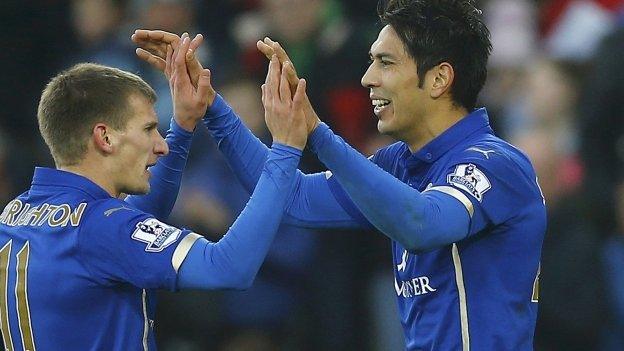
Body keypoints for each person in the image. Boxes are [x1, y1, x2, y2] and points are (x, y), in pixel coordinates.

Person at [134, 0, 547, 349]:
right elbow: (293, 198)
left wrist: (317, 134)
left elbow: (424, 223)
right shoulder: (400, 162)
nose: (368, 78)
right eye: (371, 62)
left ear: (439, 78)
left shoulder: (494, 164)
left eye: (385, 62)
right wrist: (213, 109)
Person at [0, 33, 309, 350]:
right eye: (149, 129)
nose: (161, 146)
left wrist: (184, 124)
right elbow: (229, 268)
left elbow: (133, 221)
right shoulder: (101, 226)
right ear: (105, 138)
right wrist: (284, 150)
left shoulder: (14, 215)